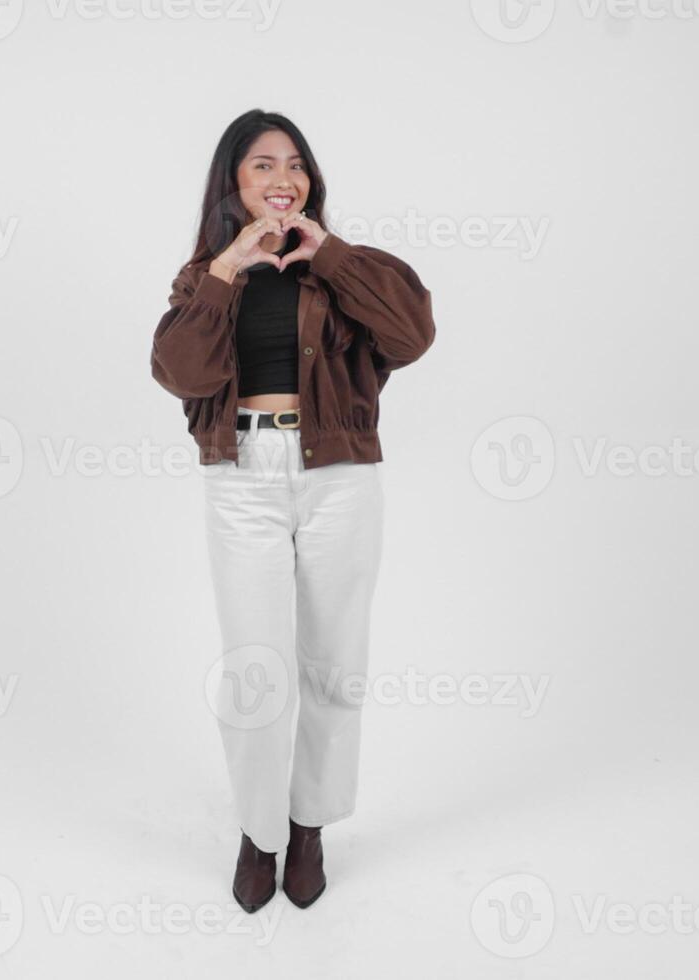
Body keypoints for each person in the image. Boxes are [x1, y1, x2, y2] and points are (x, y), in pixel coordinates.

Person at [150, 109, 437, 913]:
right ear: (233, 187)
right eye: (261, 167)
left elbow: (413, 333)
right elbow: (179, 372)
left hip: (339, 475)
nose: (282, 180)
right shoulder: (205, 276)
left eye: (295, 165)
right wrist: (227, 270)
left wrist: (331, 254)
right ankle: (258, 833)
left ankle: (308, 825)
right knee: (254, 672)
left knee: (334, 665)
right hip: (241, 475)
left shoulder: (344, 267)